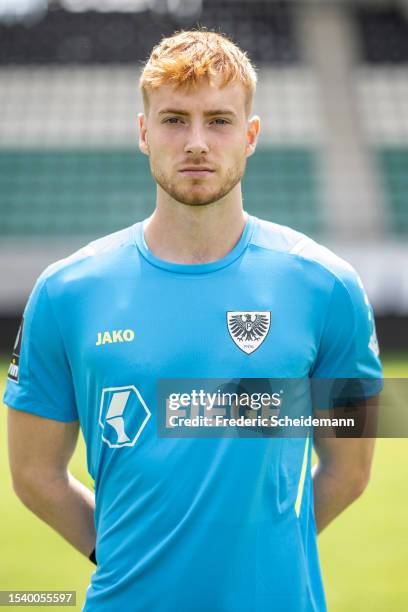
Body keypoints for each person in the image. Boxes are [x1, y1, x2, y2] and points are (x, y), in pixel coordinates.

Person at [4, 29, 382, 611]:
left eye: (220, 121)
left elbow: (349, 471)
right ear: (143, 132)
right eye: (175, 119)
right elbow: (34, 473)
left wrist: (260, 554)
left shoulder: (327, 287)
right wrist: (129, 556)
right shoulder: (65, 292)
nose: (197, 142)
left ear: (251, 136)